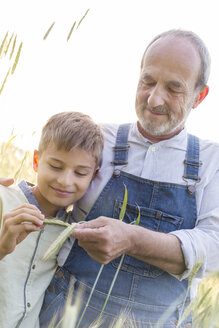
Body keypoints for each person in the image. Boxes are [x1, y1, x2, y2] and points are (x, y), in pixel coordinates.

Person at [0, 111, 104, 328]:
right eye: (56, 166)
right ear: (36, 161)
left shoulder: (71, 230)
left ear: (94, 175)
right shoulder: (3, 199)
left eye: (80, 173)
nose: (65, 180)